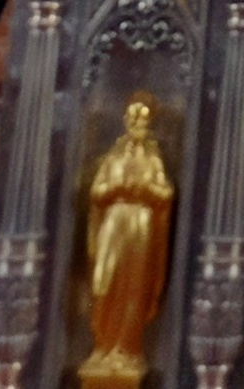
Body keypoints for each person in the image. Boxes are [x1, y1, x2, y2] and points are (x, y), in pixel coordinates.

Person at [77, 95, 176, 384]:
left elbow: (165, 193)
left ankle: (127, 348)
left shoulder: (153, 159)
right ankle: (103, 345)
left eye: (142, 120)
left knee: (133, 288)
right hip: (113, 224)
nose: (136, 125)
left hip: (141, 226)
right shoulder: (115, 156)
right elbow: (97, 191)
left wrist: (143, 190)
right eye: (132, 119)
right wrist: (119, 188)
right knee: (104, 284)